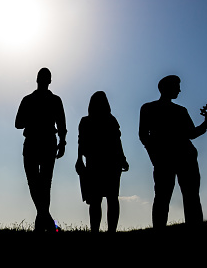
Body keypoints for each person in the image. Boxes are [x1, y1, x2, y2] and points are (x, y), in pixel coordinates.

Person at [139, 75, 207, 229]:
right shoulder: (149, 108)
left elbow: (191, 134)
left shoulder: (180, 110)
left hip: (184, 158)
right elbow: (143, 135)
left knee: (187, 196)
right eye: (176, 86)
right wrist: (154, 155)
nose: (179, 89)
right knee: (164, 197)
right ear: (165, 88)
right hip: (168, 159)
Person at [15, 68, 67, 232]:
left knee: (41, 184)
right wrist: (62, 142)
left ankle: (43, 222)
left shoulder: (32, 100)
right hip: (40, 143)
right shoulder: (35, 100)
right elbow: (18, 123)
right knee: (40, 184)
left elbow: (61, 123)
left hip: (42, 143)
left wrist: (63, 142)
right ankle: (49, 222)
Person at [76, 91, 129, 233]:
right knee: (107, 198)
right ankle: (107, 231)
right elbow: (117, 141)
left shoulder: (89, 121)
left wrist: (79, 159)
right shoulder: (109, 120)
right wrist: (79, 159)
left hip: (100, 162)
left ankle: (98, 231)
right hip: (104, 162)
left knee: (99, 199)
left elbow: (81, 142)